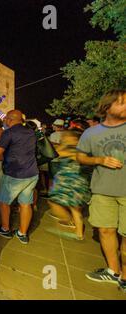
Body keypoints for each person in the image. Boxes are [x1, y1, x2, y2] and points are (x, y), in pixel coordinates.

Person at [75, 89, 126, 292]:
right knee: (106, 230)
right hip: (102, 191)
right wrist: (99, 160)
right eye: (122, 102)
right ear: (107, 107)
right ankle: (113, 271)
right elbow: (80, 156)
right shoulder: (91, 133)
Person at [0, 110, 39, 245]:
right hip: (31, 173)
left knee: (4, 202)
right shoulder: (31, 132)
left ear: (9, 119)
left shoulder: (9, 133)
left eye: (6, 119)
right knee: (25, 204)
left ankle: (5, 228)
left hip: (15, 174)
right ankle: (22, 233)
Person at [47, 120, 91, 240]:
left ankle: (68, 219)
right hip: (79, 180)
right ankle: (79, 234)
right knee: (75, 209)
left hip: (69, 181)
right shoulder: (85, 146)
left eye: (67, 136)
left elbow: (59, 153)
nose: (64, 138)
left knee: (53, 202)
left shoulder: (70, 147)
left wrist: (56, 146)